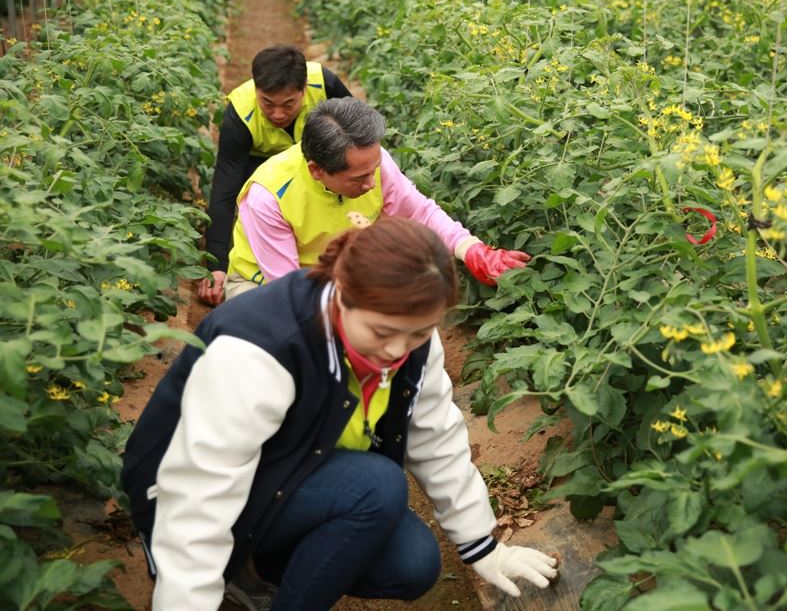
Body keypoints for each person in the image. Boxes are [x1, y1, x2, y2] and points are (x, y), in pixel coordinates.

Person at [121, 217, 559, 610]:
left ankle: (254, 568)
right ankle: (235, 566)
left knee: (413, 564)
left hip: (292, 471)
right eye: (382, 332)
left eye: (418, 333)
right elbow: (198, 492)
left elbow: (436, 435)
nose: (396, 350)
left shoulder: (411, 341)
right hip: (181, 488)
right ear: (342, 295)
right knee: (376, 486)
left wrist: (483, 546)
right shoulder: (260, 348)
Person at [221, 96, 530, 300]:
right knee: (282, 340)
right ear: (317, 170)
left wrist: (472, 250)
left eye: (375, 171)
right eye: (359, 178)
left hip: (345, 275)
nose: (372, 184)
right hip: (264, 285)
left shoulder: (371, 161)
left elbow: (419, 212)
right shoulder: (270, 195)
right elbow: (290, 291)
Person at [199, 45, 354, 305]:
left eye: (289, 104)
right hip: (258, 166)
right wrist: (216, 265)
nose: (278, 114)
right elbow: (224, 191)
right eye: (267, 104)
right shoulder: (239, 111)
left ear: (304, 89)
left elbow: (357, 136)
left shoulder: (325, 85)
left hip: (313, 160)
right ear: (256, 89)